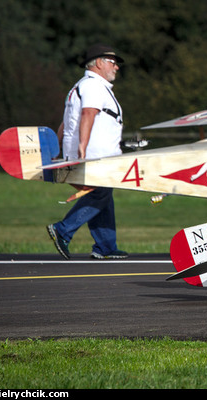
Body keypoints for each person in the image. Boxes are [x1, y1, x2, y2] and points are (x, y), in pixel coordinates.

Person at [47, 44, 128, 260]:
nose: (116, 67)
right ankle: (63, 230)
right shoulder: (93, 86)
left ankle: (105, 246)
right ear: (99, 62)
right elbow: (88, 114)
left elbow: (66, 123)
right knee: (100, 192)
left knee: (103, 193)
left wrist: (57, 147)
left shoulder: (84, 86)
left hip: (94, 154)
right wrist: (82, 146)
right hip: (91, 155)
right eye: (113, 62)